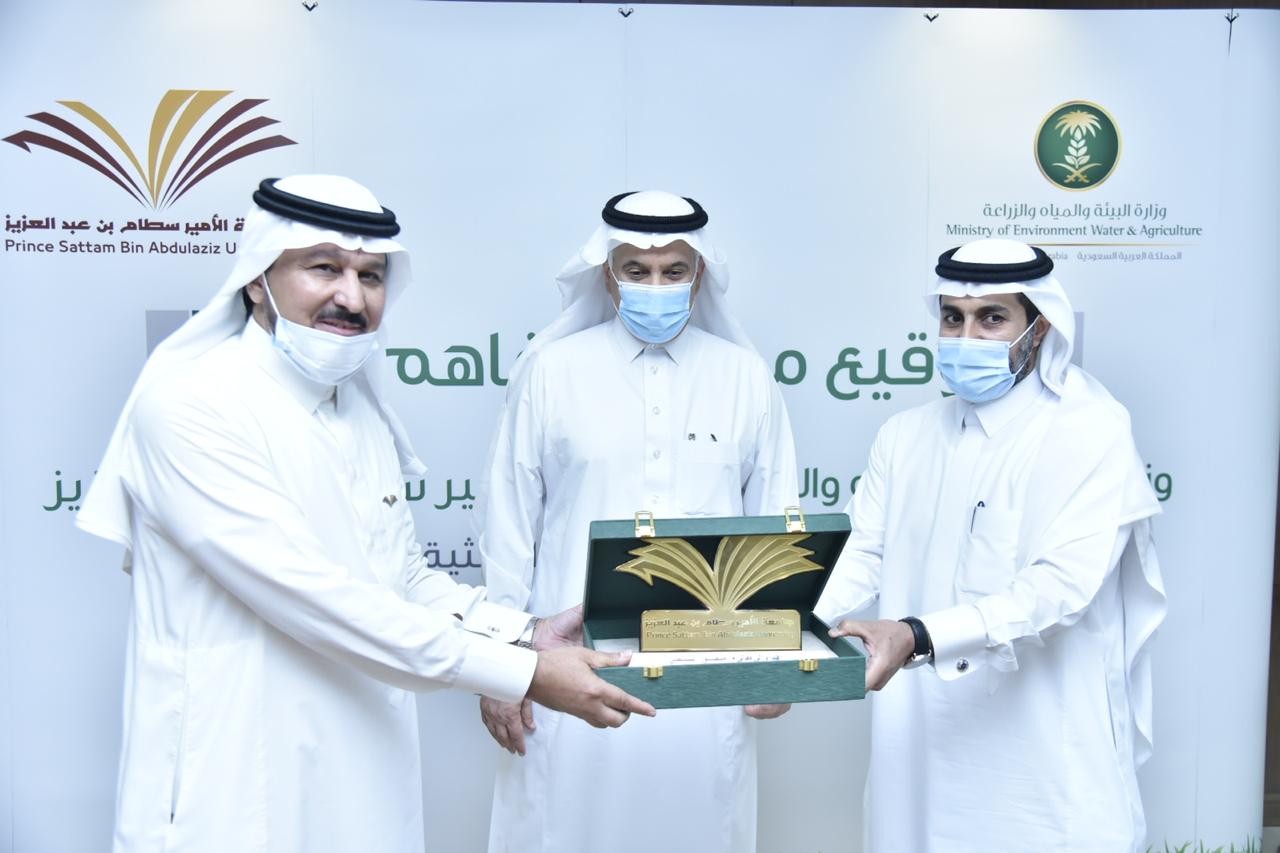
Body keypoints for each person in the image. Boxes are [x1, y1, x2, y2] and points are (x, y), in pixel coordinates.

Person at [76, 174, 653, 853]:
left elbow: (400, 577)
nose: (351, 297)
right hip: (235, 786)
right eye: (324, 268)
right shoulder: (192, 406)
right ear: (258, 278)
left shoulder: (360, 413)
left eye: (371, 276)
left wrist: (524, 633)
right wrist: (524, 674)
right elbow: (315, 598)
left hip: (360, 780)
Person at [815, 238, 1165, 852]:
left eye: (992, 318)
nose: (966, 336)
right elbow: (860, 556)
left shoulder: (1090, 432)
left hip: (1040, 758)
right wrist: (773, 640)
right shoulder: (904, 436)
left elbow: (1059, 588)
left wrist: (918, 635)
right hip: (918, 746)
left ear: (1039, 327)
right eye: (953, 318)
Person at [476, 190, 800, 853]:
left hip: (709, 669)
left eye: (673, 271)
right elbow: (508, 523)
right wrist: (501, 663)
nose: (656, 286)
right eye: (637, 270)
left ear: (699, 276)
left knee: (699, 824)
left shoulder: (744, 376)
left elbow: (776, 529)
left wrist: (778, 661)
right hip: (569, 663)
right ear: (608, 275)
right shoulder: (551, 371)